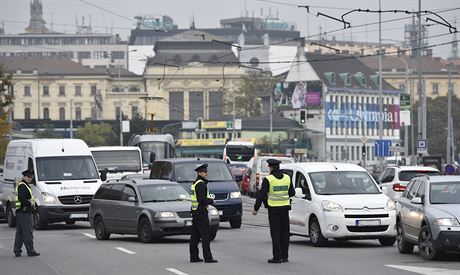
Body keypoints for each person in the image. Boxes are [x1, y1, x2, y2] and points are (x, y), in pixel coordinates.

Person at [252, 159, 295, 263]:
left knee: (275, 233)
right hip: (285, 209)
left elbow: (261, 195)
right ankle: (285, 256)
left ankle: (277, 257)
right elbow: (292, 193)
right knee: (285, 233)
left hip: (273, 210)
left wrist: (255, 209)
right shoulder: (287, 178)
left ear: (270, 167)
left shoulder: (269, 179)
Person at [189, 164, 218, 263]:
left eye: (206, 171)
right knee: (205, 235)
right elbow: (201, 199)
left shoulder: (196, 183)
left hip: (196, 211)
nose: (206, 173)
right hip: (201, 212)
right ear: (199, 173)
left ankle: (194, 257)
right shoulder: (201, 184)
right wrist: (211, 201)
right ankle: (208, 258)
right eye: (204, 172)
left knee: (195, 236)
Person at [14, 170, 40, 257]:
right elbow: (21, 197)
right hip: (24, 211)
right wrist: (29, 203)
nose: (30, 178)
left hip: (20, 211)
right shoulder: (23, 185)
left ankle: (17, 251)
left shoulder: (23, 185)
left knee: (20, 233)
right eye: (28, 177)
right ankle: (30, 250)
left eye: (31, 177)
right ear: (24, 176)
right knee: (28, 232)